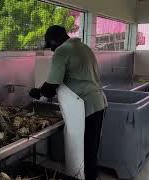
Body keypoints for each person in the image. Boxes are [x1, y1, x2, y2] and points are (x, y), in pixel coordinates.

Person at [29, 25, 108, 180]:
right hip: (98, 103)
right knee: (91, 151)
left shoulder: (62, 51)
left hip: (84, 107)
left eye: (50, 46)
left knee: (82, 153)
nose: (51, 50)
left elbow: (52, 85)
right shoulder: (84, 47)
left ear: (53, 41)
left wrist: (38, 92)